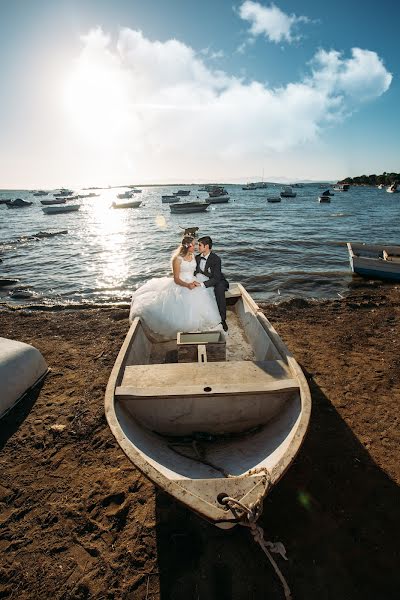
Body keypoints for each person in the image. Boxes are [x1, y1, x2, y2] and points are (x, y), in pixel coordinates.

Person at [129, 236, 222, 338]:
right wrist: (187, 285)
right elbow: (176, 279)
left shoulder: (193, 256)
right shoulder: (177, 259)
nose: (195, 247)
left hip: (193, 280)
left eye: (197, 245)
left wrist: (198, 281)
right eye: (194, 244)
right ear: (188, 246)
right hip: (181, 283)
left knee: (203, 296)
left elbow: (196, 270)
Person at [194, 236, 229, 331]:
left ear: (206, 246)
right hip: (202, 279)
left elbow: (217, 278)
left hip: (217, 280)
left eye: (200, 245)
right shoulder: (197, 258)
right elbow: (194, 271)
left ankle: (223, 319)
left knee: (219, 289)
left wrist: (202, 284)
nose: (198, 247)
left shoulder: (216, 259)